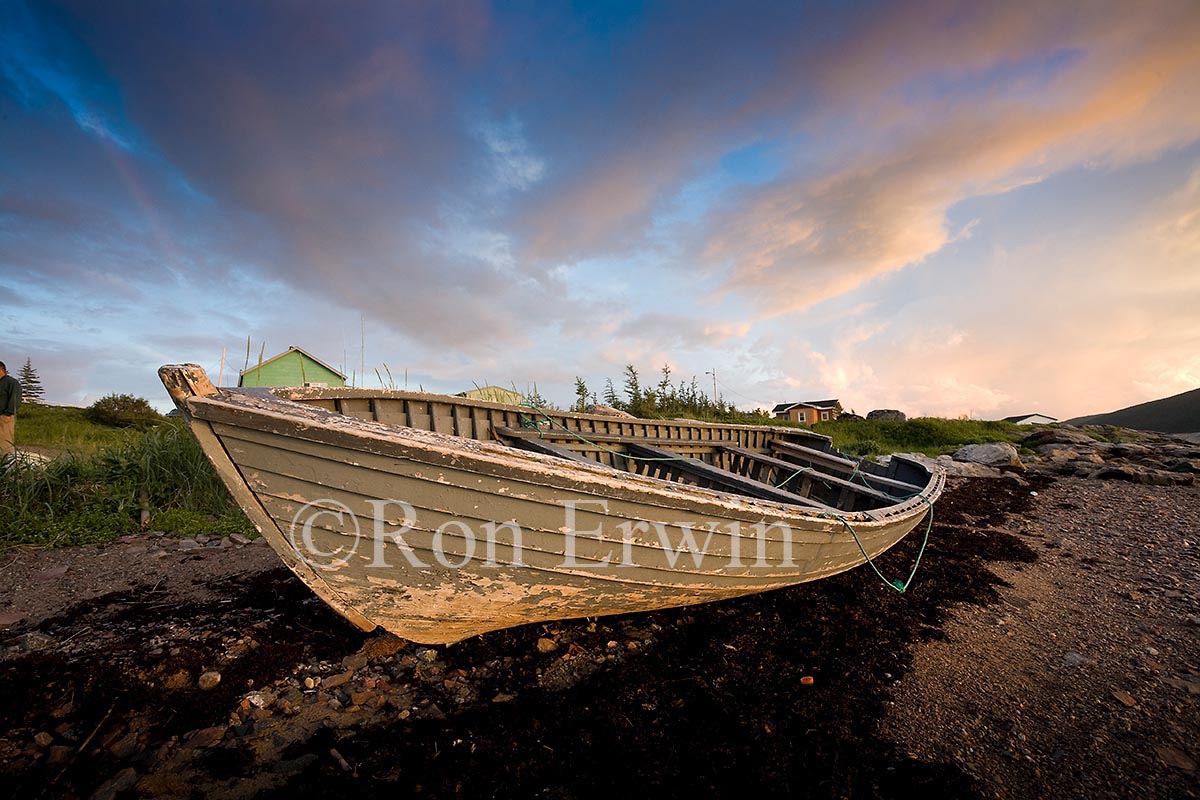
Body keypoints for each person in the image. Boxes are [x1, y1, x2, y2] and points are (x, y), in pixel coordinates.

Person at [0, 360, 20, 457]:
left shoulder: (11, 382)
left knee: (4, 442)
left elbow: (15, 399)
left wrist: (8, 413)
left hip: (4, 417)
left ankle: (5, 464)